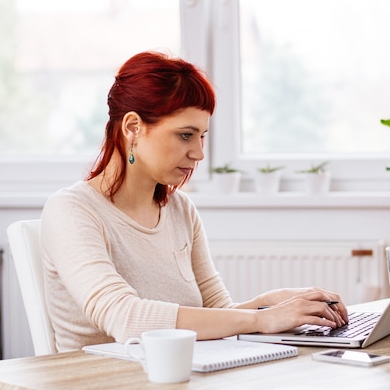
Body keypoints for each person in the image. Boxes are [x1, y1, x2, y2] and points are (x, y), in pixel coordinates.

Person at [40, 50, 348, 352]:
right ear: (133, 127)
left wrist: (273, 302)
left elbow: (221, 314)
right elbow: (125, 318)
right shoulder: (71, 210)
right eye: (186, 135)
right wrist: (263, 317)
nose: (199, 153)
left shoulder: (181, 211)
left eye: (202, 136)